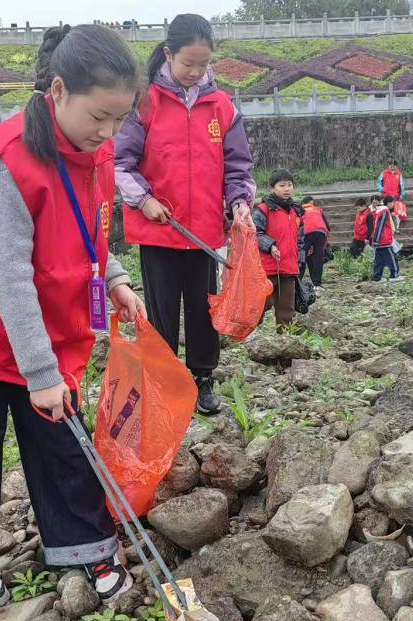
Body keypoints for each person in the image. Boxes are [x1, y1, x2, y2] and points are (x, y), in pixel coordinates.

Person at [0, 25, 145, 611]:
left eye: (120, 119)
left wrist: (112, 275)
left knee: (63, 437)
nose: (109, 132)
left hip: (45, 317)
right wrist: (39, 373)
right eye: (99, 116)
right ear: (58, 91)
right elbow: (7, 275)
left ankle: (84, 544)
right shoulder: (4, 164)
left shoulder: (93, 148)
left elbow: (85, 221)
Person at [115, 13, 256, 416]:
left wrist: (239, 204)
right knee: (160, 311)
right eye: (187, 64)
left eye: (203, 64)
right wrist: (145, 200)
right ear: (167, 54)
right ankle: (161, 382)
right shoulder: (145, 102)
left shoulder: (222, 107)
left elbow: (238, 167)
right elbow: (119, 163)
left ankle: (202, 378)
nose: (195, 72)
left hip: (203, 232)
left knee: (202, 308)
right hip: (160, 228)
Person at [253, 170, 303, 328]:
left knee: (286, 308)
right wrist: (271, 245)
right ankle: (247, 333)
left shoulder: (297, 211)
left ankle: (286, 339)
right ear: (272, 188)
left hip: (289, 267)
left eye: (289, 185)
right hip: (267, 267)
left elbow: (300, 238)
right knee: (261, 304)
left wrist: (300, 258)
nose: (287, 188)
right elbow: (255, 233)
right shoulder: (263, 210)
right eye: (282, 185)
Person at [300, 195, 331, 292]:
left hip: (306, 233)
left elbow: (297, 226)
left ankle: (298, 282)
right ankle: (317, 283)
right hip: (320, 232)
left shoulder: (299, 211)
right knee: (318, 258)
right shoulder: (318, 210)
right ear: (310, 203)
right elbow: (327, 226)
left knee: (303, 257)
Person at [370, 195, 399, 282]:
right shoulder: (384, 211)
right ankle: (394, 275)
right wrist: (377, 239)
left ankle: (377, 276)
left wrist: (374, 239)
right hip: (384, 240)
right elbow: (381, 226)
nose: (393, 204)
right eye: (393, 202)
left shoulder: (376, 211)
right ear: (389, 203)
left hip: (377, 240)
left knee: (379, 260)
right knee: (392, 258)